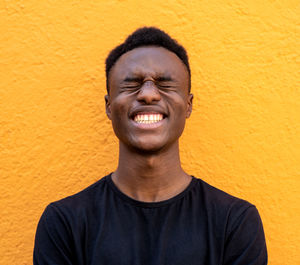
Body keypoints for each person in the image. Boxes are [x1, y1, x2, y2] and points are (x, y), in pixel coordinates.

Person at [34, 27, 268, 265]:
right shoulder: (64, 223)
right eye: (132, 84)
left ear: (188, 105)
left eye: (164, 84)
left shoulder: (234, 221)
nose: (148, 94)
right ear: (108, 106)